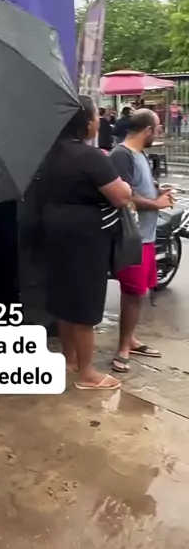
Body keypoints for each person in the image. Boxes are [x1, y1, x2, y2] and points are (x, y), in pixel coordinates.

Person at [39, 96, 132, 390]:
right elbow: (121, 196)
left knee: (64, 299)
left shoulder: (47, 154)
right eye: (95, 118)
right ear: (87, 123)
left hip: (55, 231)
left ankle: (70, 360)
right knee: (84, 303)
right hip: (86, 237)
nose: (97, 123)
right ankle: (88, 374)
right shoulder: (90, 157)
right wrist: (127, 187)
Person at [109, 110, 173, 373]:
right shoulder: (121, 155)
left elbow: (141, 188)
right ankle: (123, 347)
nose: (158, 133)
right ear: (147, 130)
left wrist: (157, 192)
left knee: (140, 292)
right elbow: (125, 195)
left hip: (146, 236)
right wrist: (156, 203)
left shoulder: (140, 155)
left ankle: (131, 339)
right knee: (133, 292)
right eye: (157, 129)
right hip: (131, 237)